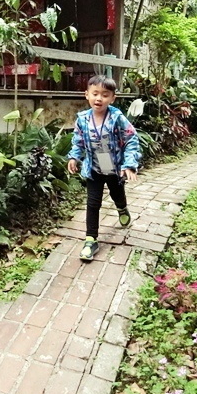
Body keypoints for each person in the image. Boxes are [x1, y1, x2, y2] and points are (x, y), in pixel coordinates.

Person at [67, 75, 142, 261]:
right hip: (93, 169)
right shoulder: (82, 119)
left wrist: (130, 165)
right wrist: (74, 157)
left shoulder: (117, 118)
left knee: (117, 195)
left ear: (112, 98)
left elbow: (131, 139)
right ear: (87, 95)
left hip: (114, 168)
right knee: (93, 204)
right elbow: (77, 141)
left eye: (105, 95)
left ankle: (122, 208)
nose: (99, 98)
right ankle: (90, 240)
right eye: (95, 94)